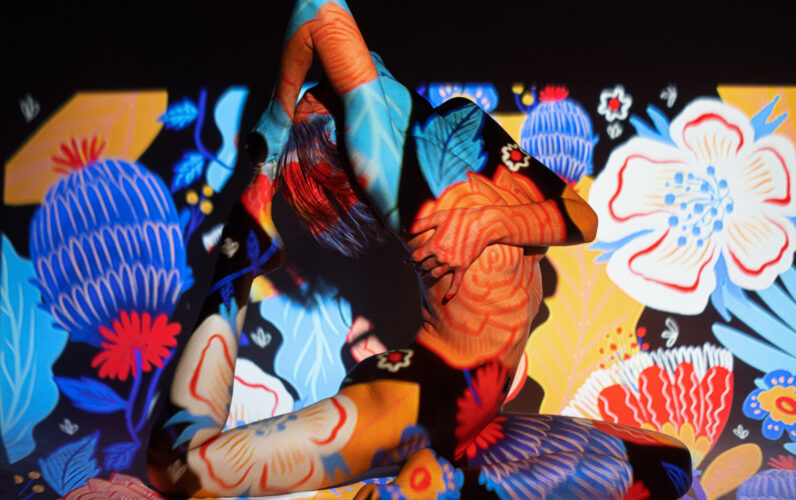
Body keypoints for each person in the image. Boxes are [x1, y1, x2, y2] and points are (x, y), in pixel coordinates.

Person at [147, 1, 692, 498]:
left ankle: (430, 485)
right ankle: (240, 255)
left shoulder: (462, 120)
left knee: (669, 462)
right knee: (182, 466)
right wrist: (277, 121)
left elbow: (581, 217)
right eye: (325, 97)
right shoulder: (383, 162)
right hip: (424, 397)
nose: (346, 74)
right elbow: (318, 7)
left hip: (473, 412)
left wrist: (494, 221)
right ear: (344, 138)